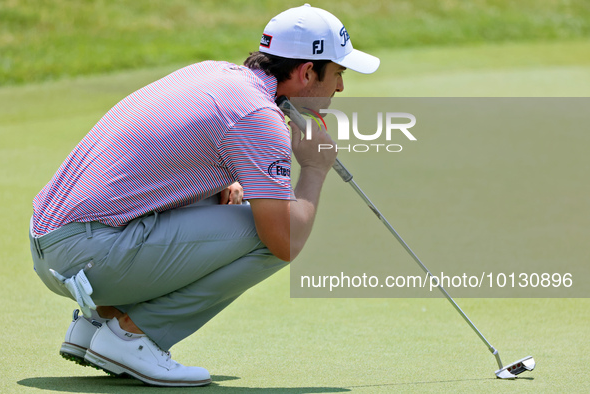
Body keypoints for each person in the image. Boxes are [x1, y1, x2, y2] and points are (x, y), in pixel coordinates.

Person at [29, 4, 379, 387]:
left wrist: (219, 185)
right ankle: (132, 336)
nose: (341, 87)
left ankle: (102, 319)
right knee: (281, 232)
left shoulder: (215, 73)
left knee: (236, 201)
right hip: (89, 253)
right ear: (307, 72)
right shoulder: (258, 117)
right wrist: (314, 169)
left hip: (52, 246)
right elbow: (285, 239)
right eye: (337, 73)